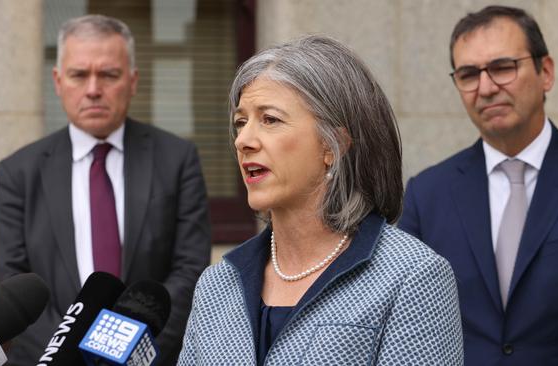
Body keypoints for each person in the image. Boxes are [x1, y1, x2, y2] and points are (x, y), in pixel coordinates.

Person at [178, 35, 463, 365]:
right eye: (240, 122)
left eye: (269, 119)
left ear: (334, 145)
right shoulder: (217, 284)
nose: (243, 140)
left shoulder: (412, 276)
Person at [398, 5, 558, 366]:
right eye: (468, 74)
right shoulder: (426, 195)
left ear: (546, 73)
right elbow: (409, 329)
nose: (486, 87)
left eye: (502, 68)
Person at [0, 14, 211, 365]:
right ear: (58, 81)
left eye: (109, 74)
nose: (93, 89)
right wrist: (70, 358)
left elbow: (189, 272)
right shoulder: (18, 172)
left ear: (133, 81)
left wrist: (126, 355)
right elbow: (13, 283)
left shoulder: (177, 159)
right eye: (79, 75)